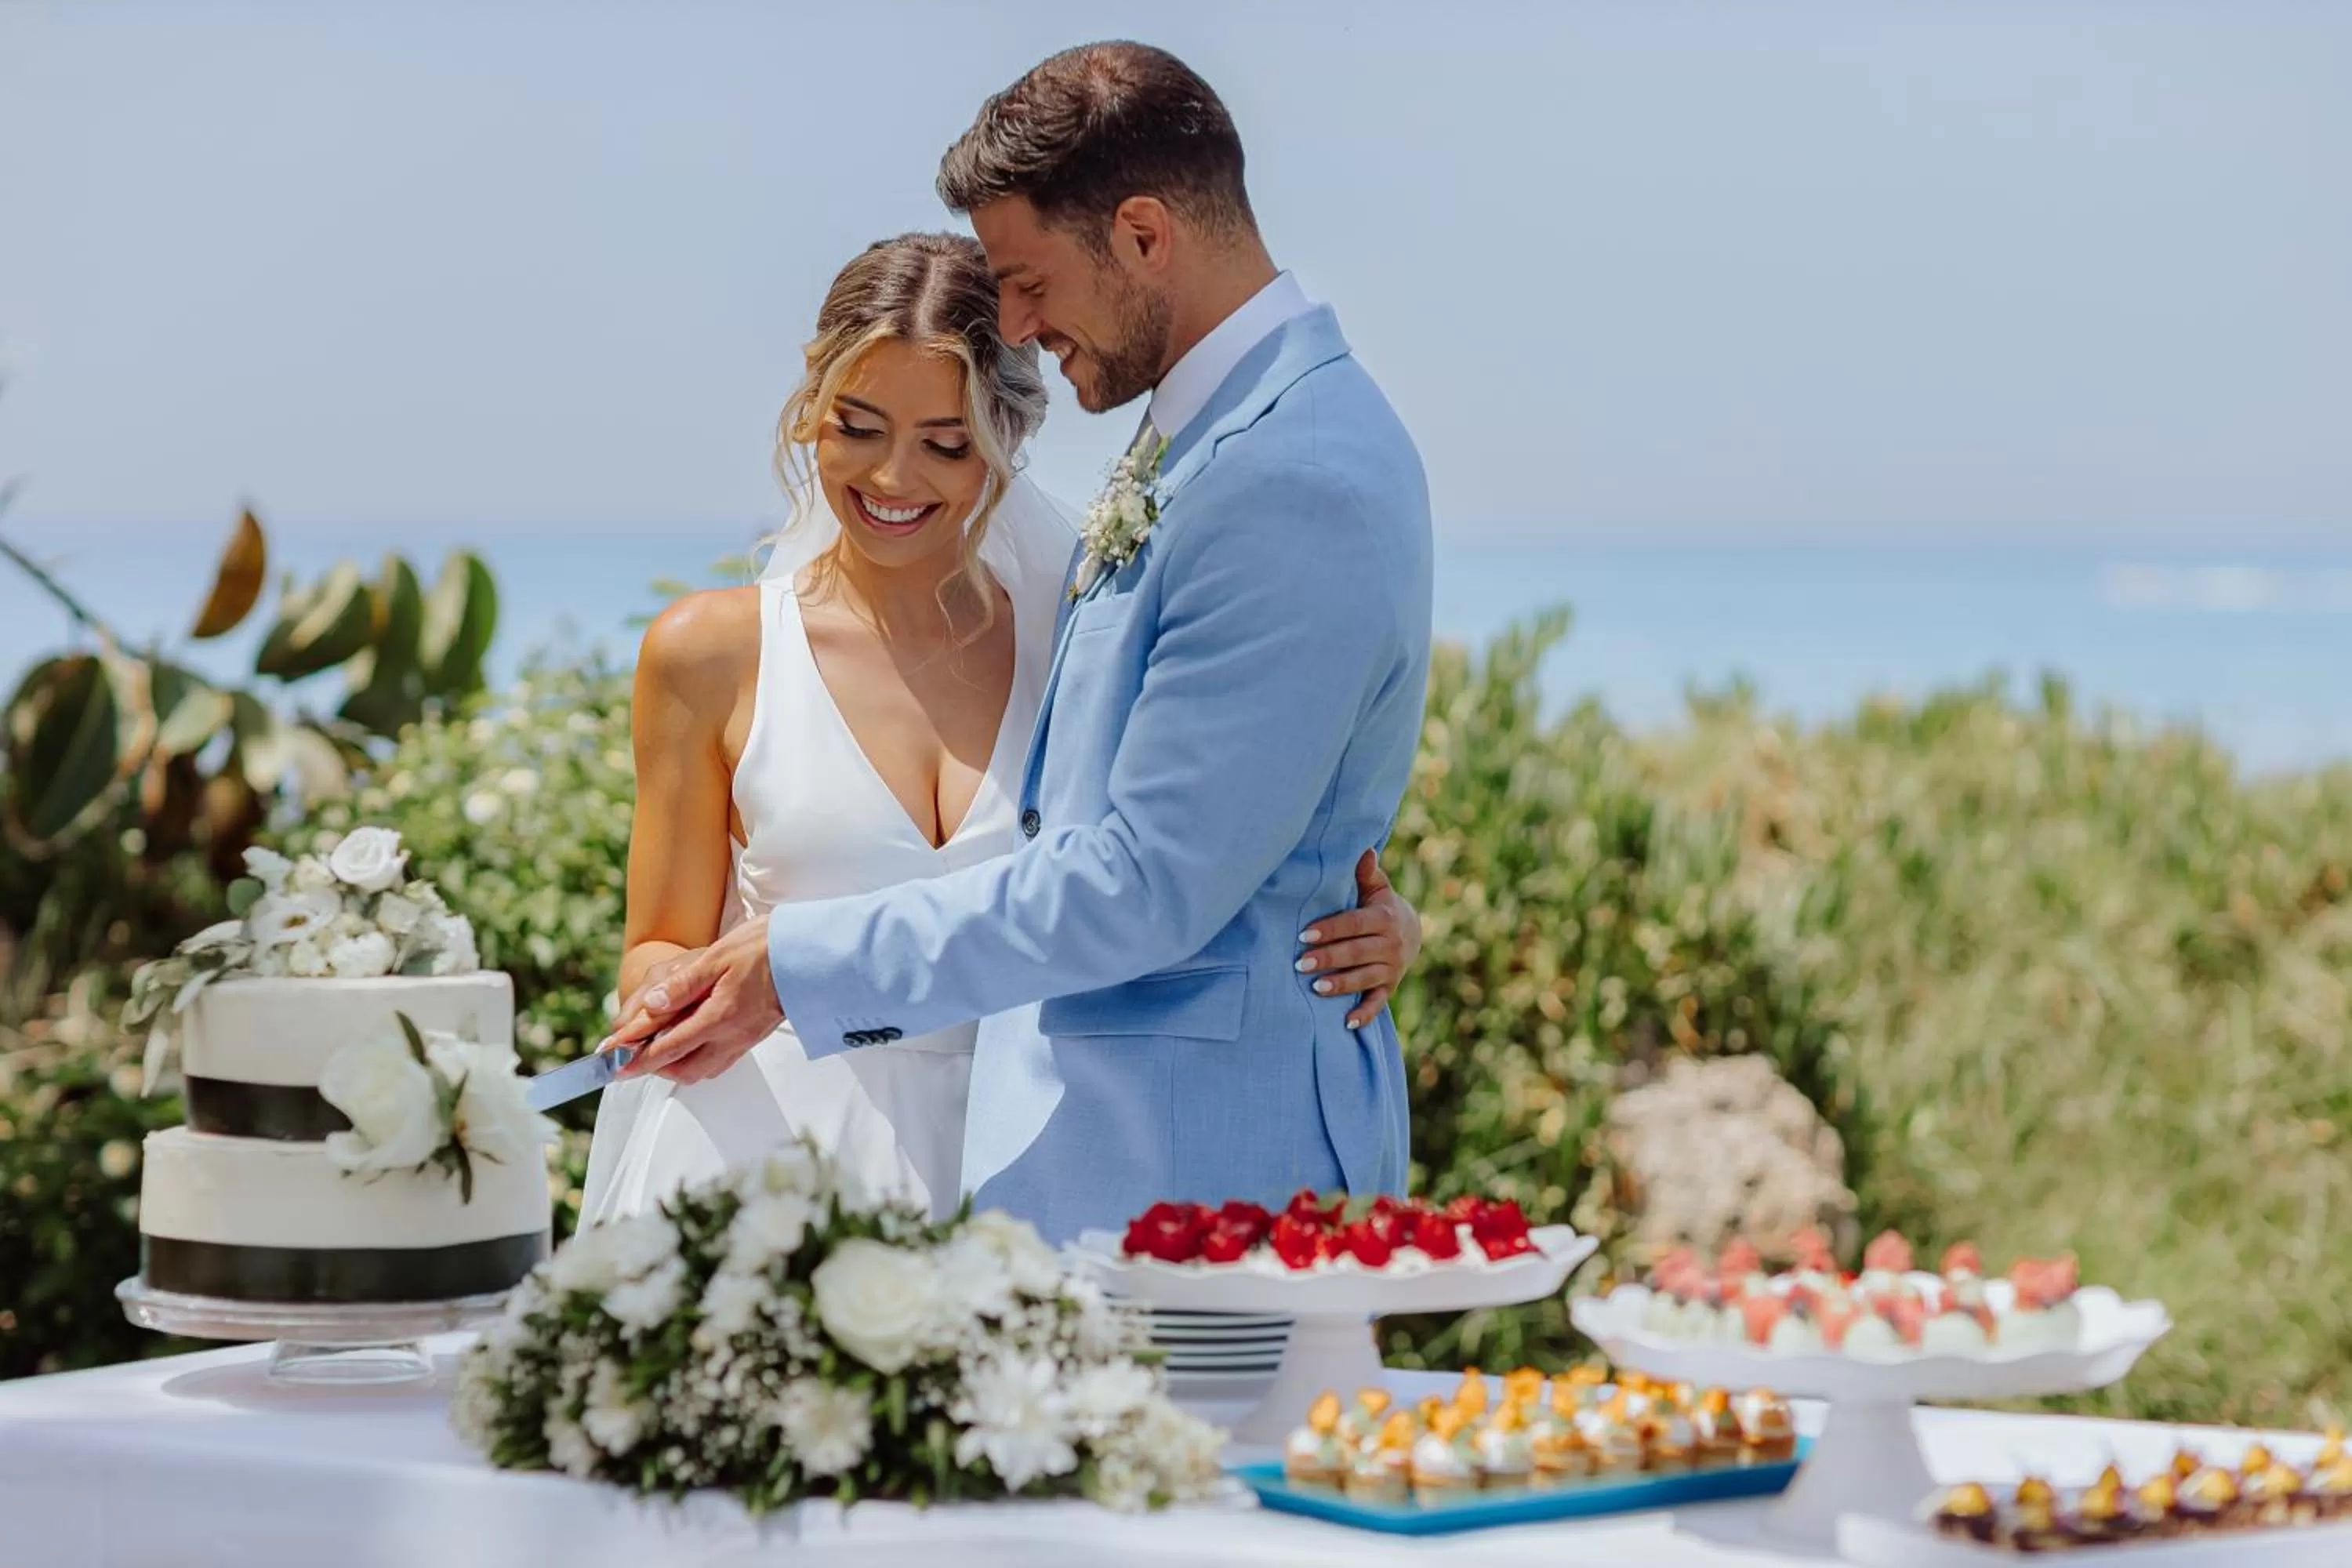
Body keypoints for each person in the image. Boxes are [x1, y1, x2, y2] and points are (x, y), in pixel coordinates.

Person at [580, 230, 1420, 1225]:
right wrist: (679, 995)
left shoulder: (1076, 646)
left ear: (1008, 437)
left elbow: (1173, 861)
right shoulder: (708, 652)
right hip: (760, 1168)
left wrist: (1375, 924)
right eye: (858, 427)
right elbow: (657, 942)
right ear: (811, 406)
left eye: (946, 443)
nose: (893, 477)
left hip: (1023, 1169)